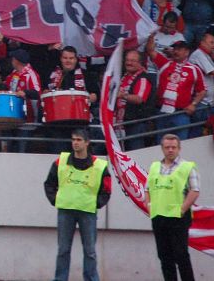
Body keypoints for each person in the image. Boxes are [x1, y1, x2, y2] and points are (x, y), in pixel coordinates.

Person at [43, 129, 110, 281]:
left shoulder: (99, 165)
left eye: (79, 140)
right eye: (73, 139)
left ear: (87, 143)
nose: (75, 143)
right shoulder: (60, 162)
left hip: (87, 211)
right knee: (63, 250)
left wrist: (97, 203)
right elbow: (49, 184)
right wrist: (55, 199)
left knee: (90, 251)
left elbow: (106, 189)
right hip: (66, 210)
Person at [145, 134, 199, 281]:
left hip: (178, 218)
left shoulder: (187, 167)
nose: (170, 150)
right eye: (167, 147)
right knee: (164, 257)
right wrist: (149, 206)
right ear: (162, 148)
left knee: (181, 256)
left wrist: (182, 209)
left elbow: (195, 190)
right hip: (159, 217)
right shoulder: (154, 167)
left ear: (179, 148)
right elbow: (147, 189)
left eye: (173, 147)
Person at [145, 33, 205, 140]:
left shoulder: (194, 69)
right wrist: (150, 37)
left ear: (187, 52)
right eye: (175, 49)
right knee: (161, 143)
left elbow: (202, 91)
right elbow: (150, 51)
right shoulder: (164, 63)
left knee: (181, 143)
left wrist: (193, 104)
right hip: (162, 112)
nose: (176, 51)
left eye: (179, 49)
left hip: (181, 113)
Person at [188, 33, 214, 139]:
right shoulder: (198, 54)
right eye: (211, 42)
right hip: (200, 102)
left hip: (209, 102)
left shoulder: (205, 55)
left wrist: (213, 59)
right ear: (202, 43)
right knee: (197, 133)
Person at [117, 49, 154, 150]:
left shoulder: (143, 78)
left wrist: (122, 95)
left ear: (140, 63)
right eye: (127, 60)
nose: (129, 63)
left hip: (137, 123)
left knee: (136, 151)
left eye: (133, 61)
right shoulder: (124, 76)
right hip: (123, 123)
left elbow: (139, 99)